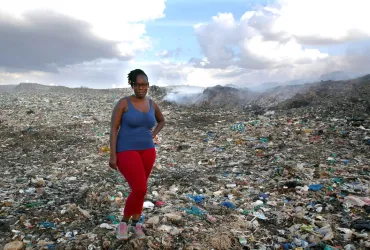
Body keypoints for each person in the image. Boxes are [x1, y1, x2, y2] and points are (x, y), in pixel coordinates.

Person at [109, 69, 165, 240]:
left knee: (140, 191)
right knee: (140, 188)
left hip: (148, 150)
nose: (142, 88)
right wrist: (113, 155)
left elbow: (162, 120)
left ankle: (137, 224)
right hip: (126, 149)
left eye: (145, 84)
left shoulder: (152, 103)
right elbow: (113, 129)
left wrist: (153, 134)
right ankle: (124, 223)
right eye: (138, 84)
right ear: (132, 85)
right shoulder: (123, 103)